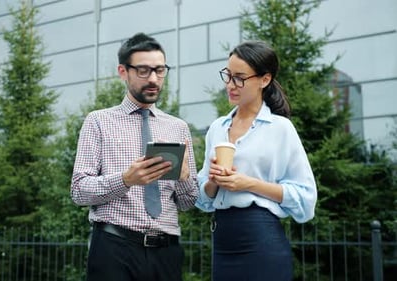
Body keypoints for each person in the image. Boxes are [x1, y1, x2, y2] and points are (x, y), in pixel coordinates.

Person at [71, 32, 199, 281]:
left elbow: (188, 202)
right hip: (114, 247)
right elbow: (78, 190)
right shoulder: (98, 121)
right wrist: (126, 180)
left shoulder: (178, 128)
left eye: (160, 70)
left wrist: (184, 178)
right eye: (143, 70)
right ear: (123, 71)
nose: (153, 79)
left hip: (167, 252)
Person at [196, 41, 317, 280]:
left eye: (240, 77)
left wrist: (248, 184)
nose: (231, 85)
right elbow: (201, 200)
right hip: (222, 241)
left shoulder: (280, 129)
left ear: (264, 79)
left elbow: (306, 199)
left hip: (262, 240)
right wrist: (212, 183)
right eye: (228, 76)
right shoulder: (217, 129)